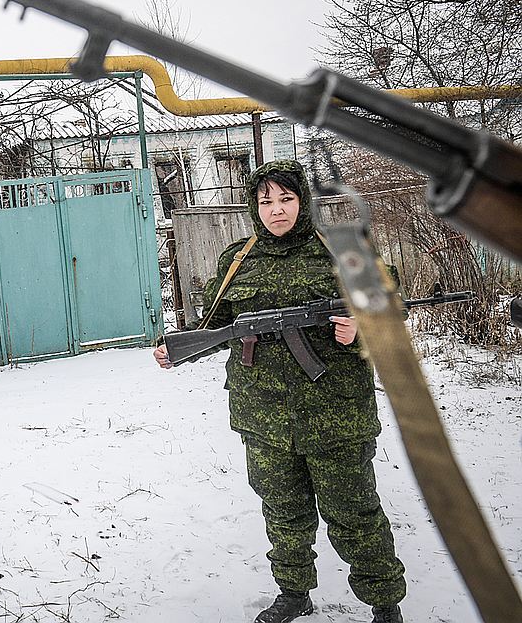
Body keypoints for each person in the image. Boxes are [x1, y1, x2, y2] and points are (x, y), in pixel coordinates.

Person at [154, 160, 405, 623]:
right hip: (263, 418)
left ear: (302, 201)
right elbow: (212, 326)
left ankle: (384, 603)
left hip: (337, 417)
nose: (276, 210)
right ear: (254, 206)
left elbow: (392, 315)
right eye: (266, 201)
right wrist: (176, 349)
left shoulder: (343, 253)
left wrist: (362, 330)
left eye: (286, 199)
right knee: (283, 510)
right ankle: (293, 593)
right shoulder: (237, 258)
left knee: (355, 511)